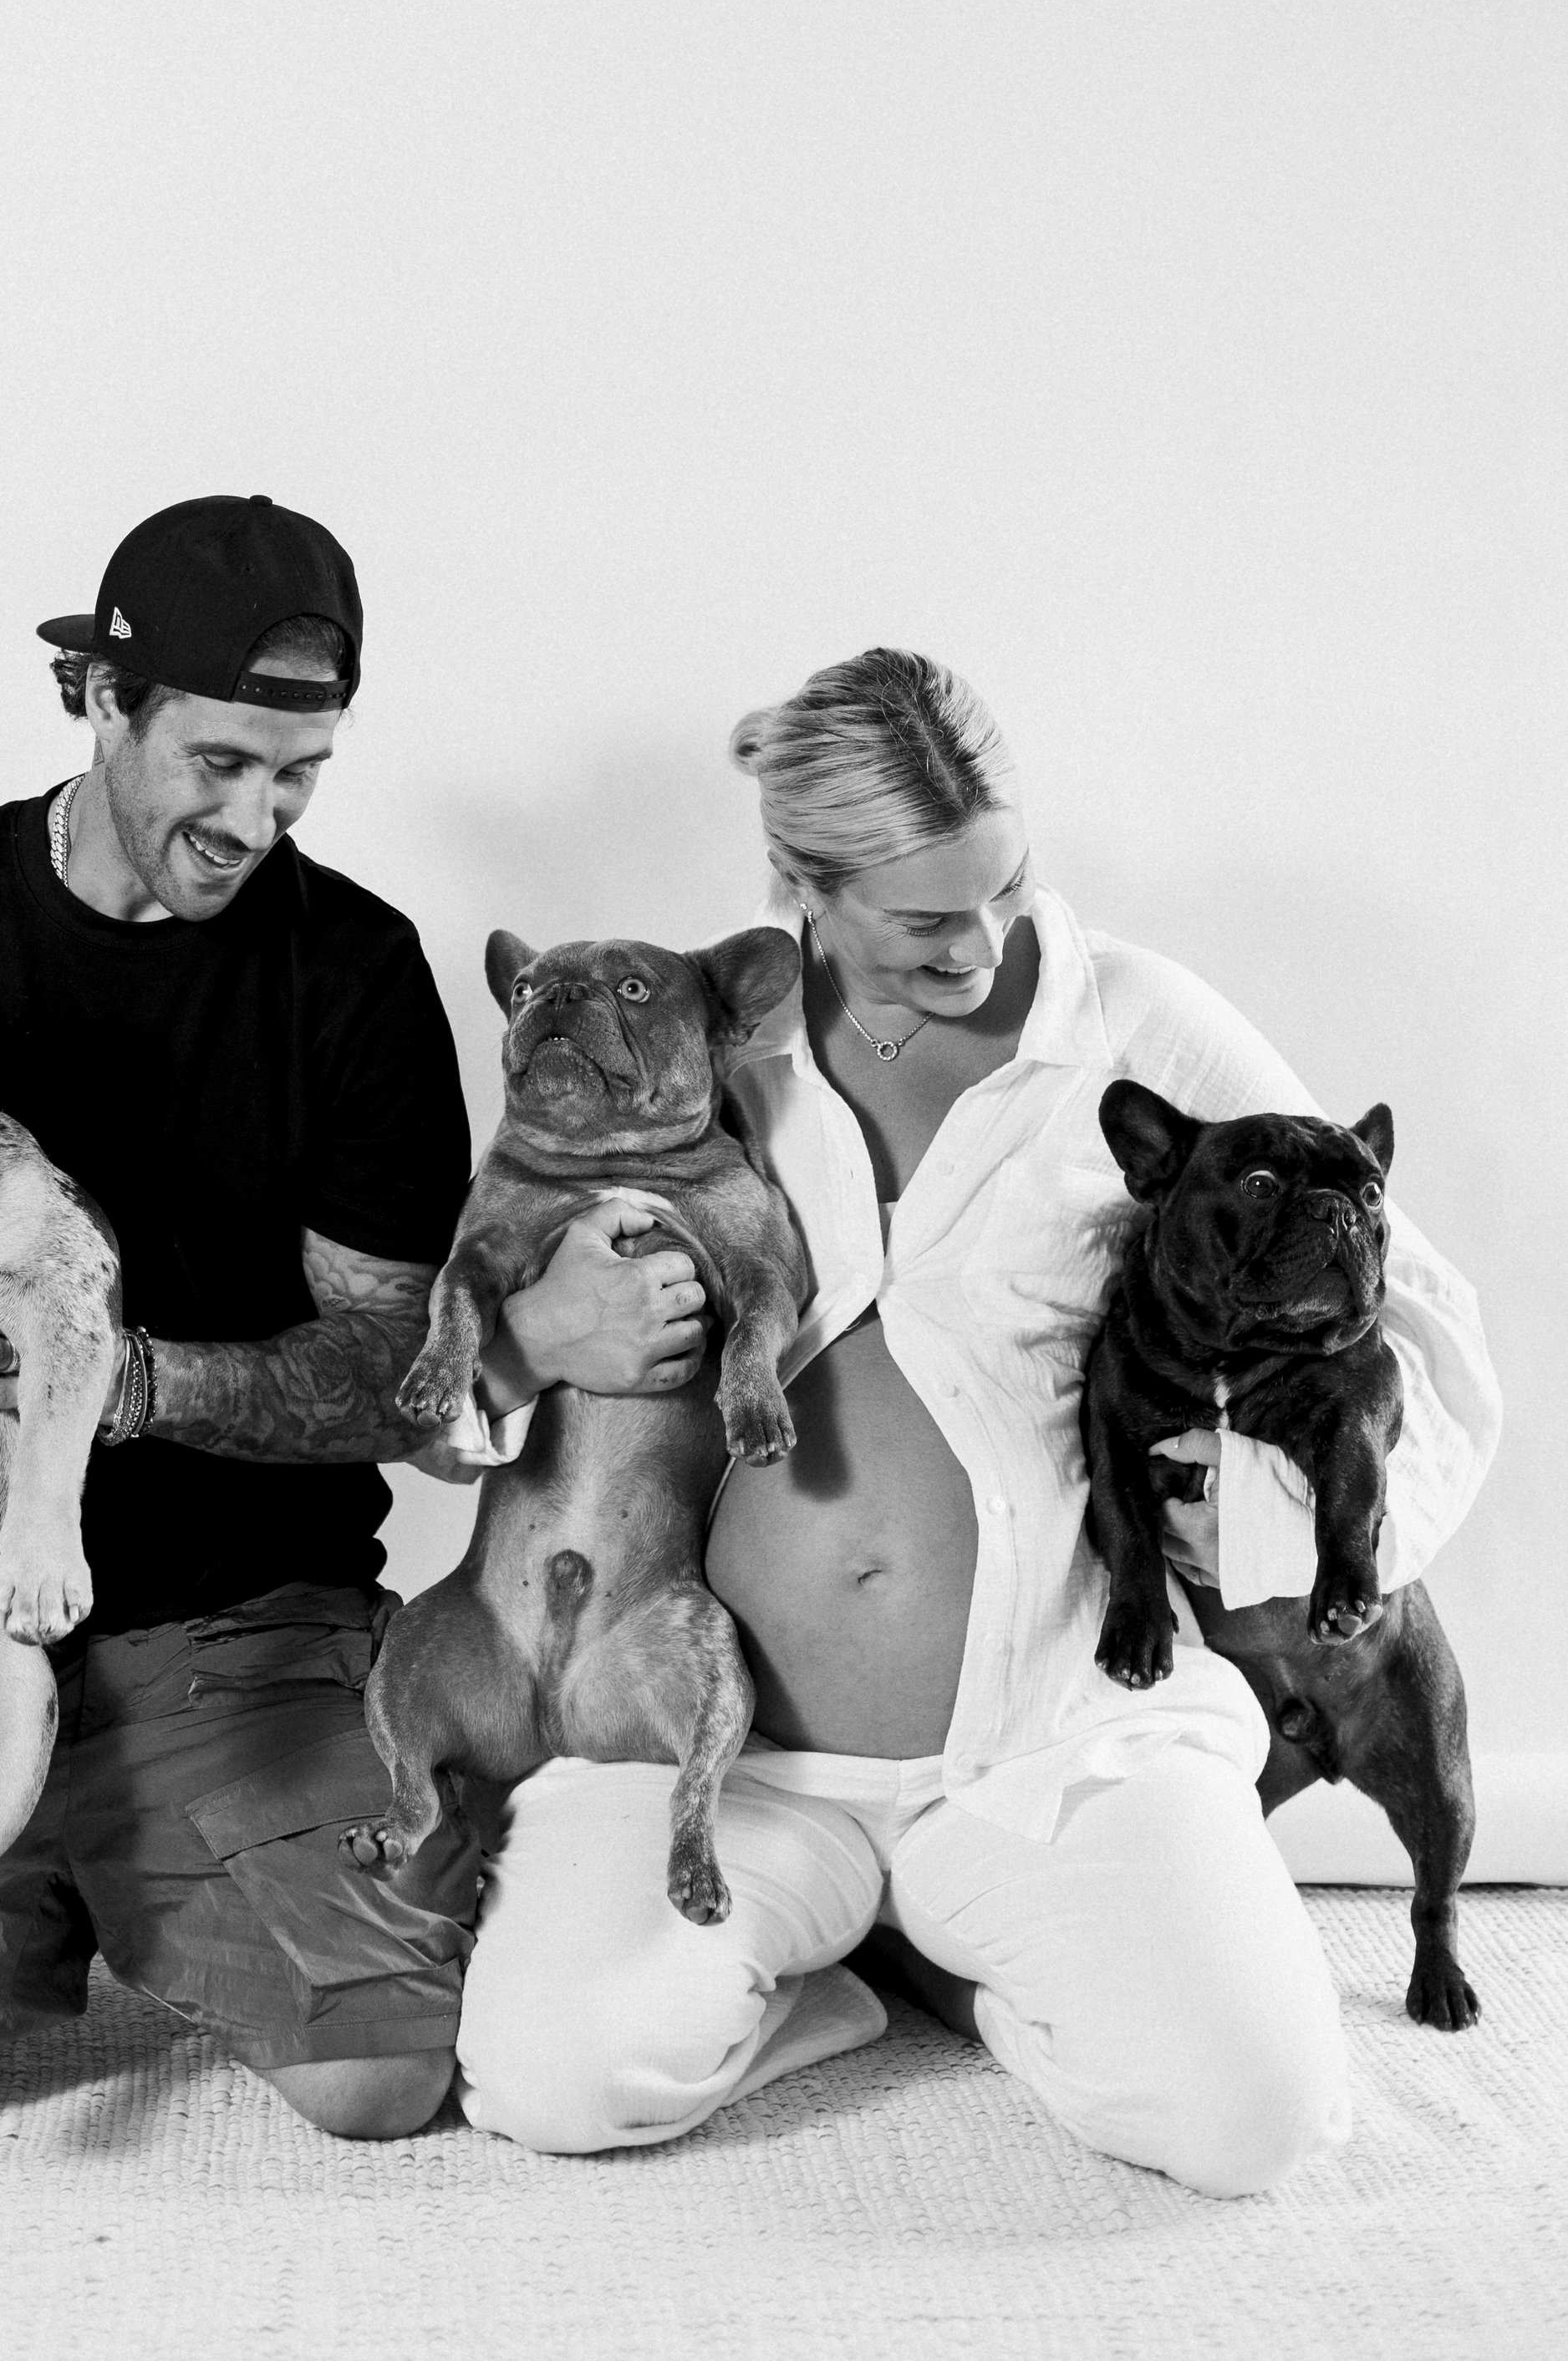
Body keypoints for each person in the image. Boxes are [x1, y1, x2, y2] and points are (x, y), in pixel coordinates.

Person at [0, 495, 709, 2144]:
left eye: (298, 776)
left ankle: (183, 1852)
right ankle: (19, 1865)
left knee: (379, 2080)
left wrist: (115, 1380)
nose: (252, 819)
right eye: (217, 763)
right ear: (101, 699)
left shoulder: (351, 970)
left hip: (236, 1629)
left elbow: (388, 1368)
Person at [445, 649, 1498, 2196]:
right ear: (803, 885)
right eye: (927, 918)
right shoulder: (693, 1039)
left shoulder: (1132, 1017)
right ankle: (845, 1981)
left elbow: (1423, 1317)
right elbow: (478, 1324)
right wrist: (533, 1338)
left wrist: (1259, 1520)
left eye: (1007, 887)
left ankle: (968, 1955)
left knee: (1254, 2115)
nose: (984, 941)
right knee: (552, 2080)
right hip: (720, 1754)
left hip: (1052, 1736)